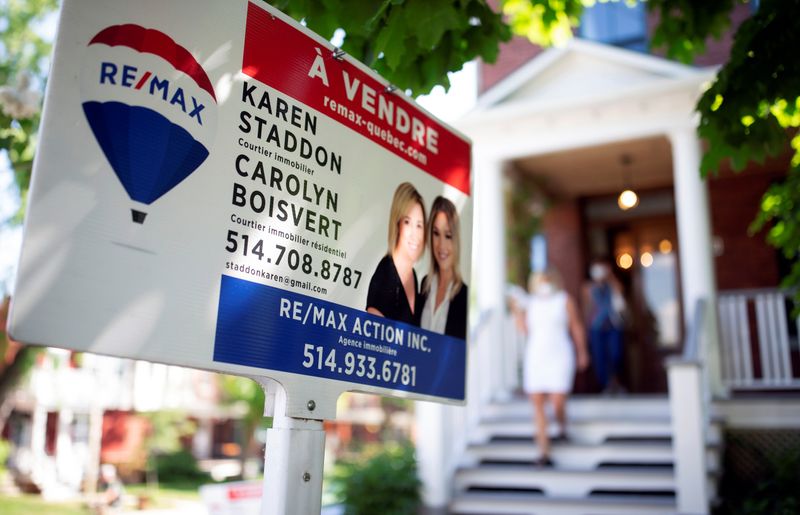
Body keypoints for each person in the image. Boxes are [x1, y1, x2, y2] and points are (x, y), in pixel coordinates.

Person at [514, 269, 589, 467]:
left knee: (557, 400)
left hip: (559, 354)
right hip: (536, 356)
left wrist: (582, 352)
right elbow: (523, 330)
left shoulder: (565, 300)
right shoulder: (529, 303)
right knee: (537, 404)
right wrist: (516, 312)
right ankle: (543, 452)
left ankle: (562, 426)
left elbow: (576, 326)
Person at [366, 182, 426, 325]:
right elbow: (372, 343)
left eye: (419, 225)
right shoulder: (386, 273)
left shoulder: (413, 276)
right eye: (407, 222)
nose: (414, 234)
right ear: (397, 224)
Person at [418, 196, 468, 339]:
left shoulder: (464, 296)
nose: (441, 245)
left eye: (448, 235)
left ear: (456, 240)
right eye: (436, 233)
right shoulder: (424, 286)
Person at [583, 258, 627, 394]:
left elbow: (620, 292)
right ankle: (607, 386)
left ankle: (616, 383)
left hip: (613, 325)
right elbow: (586, 308)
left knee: (616, 354)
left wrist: (609, 276)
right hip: (596, 327)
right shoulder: (588, 287)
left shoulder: (612, 284)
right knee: (600, 357)